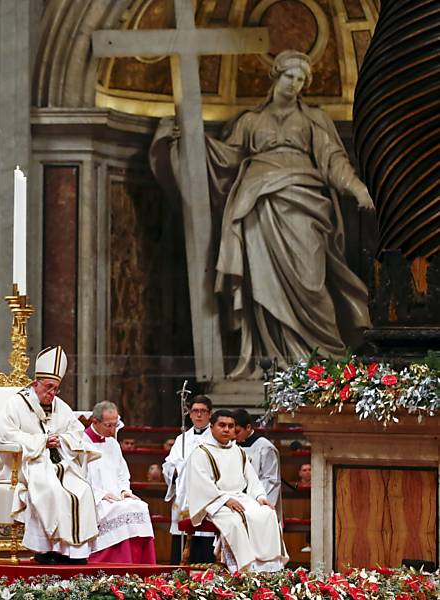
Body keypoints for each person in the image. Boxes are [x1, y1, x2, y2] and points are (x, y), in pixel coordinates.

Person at [152, 50, 373, 378]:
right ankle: (270, 360)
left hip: (304, 205)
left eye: (301, 79)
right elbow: (225, 159)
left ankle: (323, 359)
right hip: (256, 206)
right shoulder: (250, 121)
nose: (294, 84)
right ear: (275, 75)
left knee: (312, 283)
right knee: (262, 285)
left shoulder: (313, 119)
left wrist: (358, 189)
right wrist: (187, 139)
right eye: (289, 76)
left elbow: (334, 161)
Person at [0, 346, 101, 564]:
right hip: (28, 464)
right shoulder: (16, 404)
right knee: (51, 489)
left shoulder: (60, 406)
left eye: (56, 389)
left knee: (82, 490)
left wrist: (60, 440)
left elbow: (76, 433)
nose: (51, 393)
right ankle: (46, 551)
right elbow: (5, 434)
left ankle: (73, 553)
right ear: (35, 384)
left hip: (59, 464)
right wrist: (41, 441)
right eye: (48, 387)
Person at [186, 409, 288, 573]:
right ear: (211, 427)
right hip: (214, 502)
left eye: (231, 426)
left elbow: (252, 478)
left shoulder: (238, 451)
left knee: (267, 513)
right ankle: (243, 568)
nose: (227, 429)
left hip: (240, 498)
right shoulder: (201, 452)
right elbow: (202, 485)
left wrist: (260, 496)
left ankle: (268, 567)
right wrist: (225, 500)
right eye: (222, 425)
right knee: (235, 521)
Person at [84, 401, 156, 564]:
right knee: (121, 510)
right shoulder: (81, 443)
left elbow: (122, 473)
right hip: (94, 499)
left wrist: (125, 490)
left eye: (115, 425)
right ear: (94, 422)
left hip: (117, 497)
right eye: (108, 425)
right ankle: (119, 562)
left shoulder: (113, 443)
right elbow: (78, 477)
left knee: (139, 506)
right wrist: (100, 494)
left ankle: (140, 564)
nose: (112, 430)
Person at [162, 395, 215, 564]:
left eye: (203, 411)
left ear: (210, 414)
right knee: (182, 547)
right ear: (189, 414)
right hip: (184, 497)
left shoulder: (215, 438)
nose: (199, 415)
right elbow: (168, 465)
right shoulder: (181, 439)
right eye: (195, 411)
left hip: (206, 499)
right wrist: (178, 469)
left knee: (205, 544)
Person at [233, 409, 282, 519]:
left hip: (256, 503)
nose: (234, 436)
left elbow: (271, 479)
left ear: (249, 427)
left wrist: (257, 501)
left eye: (237, 431)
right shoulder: (232, 446)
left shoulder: (265, 447)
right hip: (237, 501)